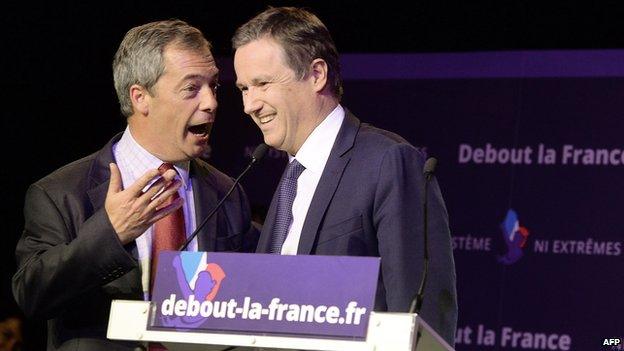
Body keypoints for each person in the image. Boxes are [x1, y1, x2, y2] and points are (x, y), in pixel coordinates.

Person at [13, 19, 257, 351]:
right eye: (191, 88)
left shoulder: (228, 193)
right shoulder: (60, 193)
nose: (211, 103)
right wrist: (111, 233)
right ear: (140, 98)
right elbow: (33, 295)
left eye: (213, 86)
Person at [232, 7, 457, 345]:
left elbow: (422, 317)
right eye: (244, 89)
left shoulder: (388, 162)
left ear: (317, 74)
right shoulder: (291, 178)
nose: (250, 104)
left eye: (262, 84)